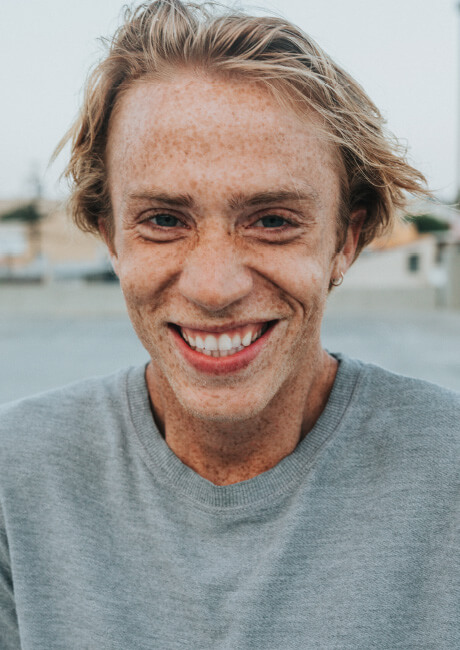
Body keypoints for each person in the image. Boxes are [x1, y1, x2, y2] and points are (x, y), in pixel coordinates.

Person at [1, 1, 459, 647]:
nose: (214, 287)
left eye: (272, 220)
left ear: (346, 240)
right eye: (163, 220)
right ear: (111, 237)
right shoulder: (15, 480)